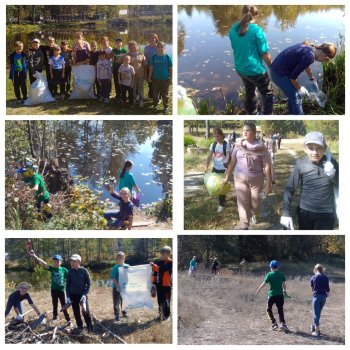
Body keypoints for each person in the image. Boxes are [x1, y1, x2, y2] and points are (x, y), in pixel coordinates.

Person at [281, 131, 339, 230]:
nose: (315, 152)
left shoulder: (332, 163)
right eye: (310, 148)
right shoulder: (301, 164)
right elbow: (290, 188)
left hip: (326, 213)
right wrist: (285, 213)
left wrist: (333, 175)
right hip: (305, 212)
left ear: (324, 148)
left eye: (319, 148)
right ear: (305, 149)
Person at [223, 122, 272, 229]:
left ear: (254, 133)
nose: (245, 132)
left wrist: (269, 183)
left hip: (256, 180)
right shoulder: (237, 145)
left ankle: (255, 214)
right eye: (244, 130)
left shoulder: (260, 147)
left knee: (256, 203)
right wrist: (226, 177)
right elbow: (232, 163)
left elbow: (267, 166)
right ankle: (244, 225)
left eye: (248, 130)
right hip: (240, 179)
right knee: (242, 202)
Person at [270, 41, 337, 115]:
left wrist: (312, 78)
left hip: (276, 69)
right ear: (324, 56)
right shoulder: (310, 57)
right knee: (297, 97)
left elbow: (305, 64)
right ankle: (299, 118)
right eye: (326, 60)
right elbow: (293, 77)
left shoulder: (309, 47)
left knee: (292, 95)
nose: (323, 62)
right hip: (279, 74)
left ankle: (292, 113)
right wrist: (300, 89)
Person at [228, 5, 273, 115]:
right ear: (256, 16)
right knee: (268, 93)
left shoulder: (233, 28)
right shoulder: (257, 31)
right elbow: (264, 53)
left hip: (240, 68)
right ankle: (268, 115)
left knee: (250, 90)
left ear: (241, 13)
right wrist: (272, 66)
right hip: (255, 70)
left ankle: (251, 112)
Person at [28, 251, 71, 324]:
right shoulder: (52, 269)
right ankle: (55, 317)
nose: (56, 263)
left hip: (61, 291)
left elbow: (71, 277)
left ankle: (68, 319)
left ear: (61, 262)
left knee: (64, 305)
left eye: (57, 261)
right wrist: (35, 256)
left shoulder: (64, 270)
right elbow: (44, 264)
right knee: (55, 304)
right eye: (54, 261)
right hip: (53, 290)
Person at [256, 260, 288, 331]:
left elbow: (264, 283)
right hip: (280, 295)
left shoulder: (269, 274)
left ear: (270, 267)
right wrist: (284, 290)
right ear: (278, 267)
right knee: (280, 310)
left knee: (268, 309)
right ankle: (283, 324)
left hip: (272, 295)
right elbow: (284, 284)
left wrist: (259, 289)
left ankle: (274, 323)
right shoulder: (281, 274)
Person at [66, 254, 93, 333]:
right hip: (73, 295)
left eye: (74, 261)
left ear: (79, 262)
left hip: (82, 295)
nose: (72, 263)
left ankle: (89, 327)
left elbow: (88, 283)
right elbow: (67, 285)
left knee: (85, 311)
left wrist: (85, 294)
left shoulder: (84, 271)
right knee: (76, 312)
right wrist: (68, 297)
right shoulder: (70, 272)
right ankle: (80, 326)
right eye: (71, 261)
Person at [205, 128, 230, 213]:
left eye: (218, 136)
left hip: (223, 168)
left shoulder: (226, 144)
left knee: (221, 187)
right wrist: (206, 166)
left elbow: (228, 156)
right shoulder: (213, 145)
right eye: (215, 136)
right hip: (215, 168)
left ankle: (221, 204)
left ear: (222, 135)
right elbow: (209, 156)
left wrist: (227, 168)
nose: (216, 138)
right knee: (213, 184)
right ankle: (221, 200)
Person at [149, 41, 172, 115]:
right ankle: (155, 106)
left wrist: (171, 79)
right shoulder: (154, 57)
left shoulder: (168, 57)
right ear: (156, 48)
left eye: (162, 47)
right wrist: (149, 76)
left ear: (164, 48)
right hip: (155, 79)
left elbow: (171, 69)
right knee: (155, 94)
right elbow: (151, 67)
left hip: (165, 79)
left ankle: (166, 107)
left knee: (165, 94)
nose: (160, 48)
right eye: (158, 47)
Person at [150, 246, 172, 320]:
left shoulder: (171, 263)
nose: (162, 255)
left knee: (166, 301)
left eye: (164, 254)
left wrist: (154, 266)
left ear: (169, 254)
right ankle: (160, 315)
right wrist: (153, 283)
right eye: (161, 254)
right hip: (159, 285)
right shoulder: (158, 262)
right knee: (160, 301)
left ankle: (167, 316)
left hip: (167, 285)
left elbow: (163, 269)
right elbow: (154, 273)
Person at [310, 264, 330, 337]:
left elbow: (312, 289)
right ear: (322, 269)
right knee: (318, 314)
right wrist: (326, 295)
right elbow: (328, 289)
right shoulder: (325, 277)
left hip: (316, 297)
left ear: (315, 269)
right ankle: (313, 326)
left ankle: (317, 331)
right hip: (323, 298)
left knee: (316, 314)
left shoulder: (313, 277)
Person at [110, 252, 130, 322]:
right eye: (117, 258)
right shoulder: (115, 267)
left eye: (120, 258)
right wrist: (118, 286)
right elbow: (113, 278)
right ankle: (117, 315)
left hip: (124, 287)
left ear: (124, 259)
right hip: (116, 288)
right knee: (116, 302)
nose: (119, 259)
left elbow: (131, 274)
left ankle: (124, 313)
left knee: (124, 301)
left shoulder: (127, 266)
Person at [127, 41, 147, 108]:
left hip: (140, 74)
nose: (133, 48)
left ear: (137, 46)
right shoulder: (127, 55)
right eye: (131, 47)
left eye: (134, 46)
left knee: (140, 87)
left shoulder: (141, 54)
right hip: (132, 75)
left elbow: (145, 65)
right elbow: (122, 62)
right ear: (129, 48)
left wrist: (145, 74)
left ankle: (141, 100)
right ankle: (134, 99)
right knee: (133, 87)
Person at [144, 33, 159, 99]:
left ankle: (158, 96)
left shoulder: (158, 47)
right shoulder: (146, 47)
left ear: (156, 39)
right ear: (149, 39)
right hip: (148, 67)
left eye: (154, 38)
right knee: (149, 81)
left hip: (155, 68)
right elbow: (144, 57)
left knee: (156, 82)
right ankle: (150, 95)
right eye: (151, 38)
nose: (152, 39)